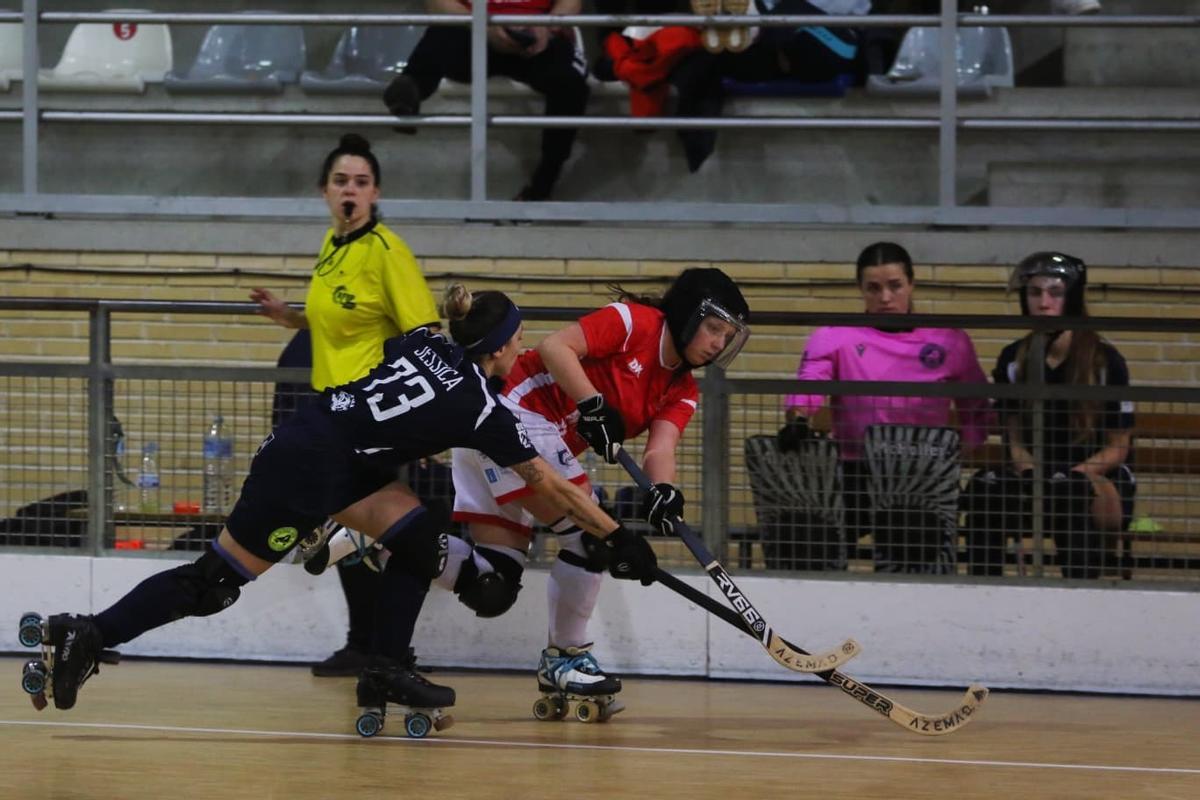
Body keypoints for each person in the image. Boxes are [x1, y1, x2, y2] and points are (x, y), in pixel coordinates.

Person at [32, 289, 659, 713]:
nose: (520, 354)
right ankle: (87, 633)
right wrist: (618, 535)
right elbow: (548, 485)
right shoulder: (481, 407)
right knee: (214, 584)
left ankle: (386, 667)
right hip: (312, 474)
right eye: (517, 343)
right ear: (499, 348)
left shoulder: (424, 343)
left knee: (420, 535)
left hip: (319, 445)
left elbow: (391, 349)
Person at [311, 268, 750, 712]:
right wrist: (592, 404)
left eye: (726, 335)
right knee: (593, 538)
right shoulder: (636, 322)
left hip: (523, 443)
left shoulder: (682, 388)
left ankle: (385, 536)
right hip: (511, 415)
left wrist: (665, 490)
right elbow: (555, 347)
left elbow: (662, 448)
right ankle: (566, 658)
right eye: (714, 328)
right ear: (687, 315)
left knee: (492, 586)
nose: (717, 342)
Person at [249, 133, 441, 678]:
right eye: (340, 182)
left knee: (373, 532)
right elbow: (339, 320)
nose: (349, 191)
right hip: (334, 414)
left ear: (375, 192)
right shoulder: (333, 246)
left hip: (374, 417)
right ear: (324, 192)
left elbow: (424, 335)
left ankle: (386, 652)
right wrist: (290, 317)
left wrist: (426, 422)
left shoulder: (387, 253)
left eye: (360, 182)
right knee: (350, 532)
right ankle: (370, 646)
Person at [779, 241, 991, 573]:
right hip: (855, 471)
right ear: (861, 290)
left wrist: (963, 450)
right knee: (811, 537)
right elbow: (810, 382)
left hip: (922, 473)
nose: (885, 298)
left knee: (916, 555)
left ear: (911, 284)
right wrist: (798, 417)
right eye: (874, 288)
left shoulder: (949, 339)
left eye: (895, 286)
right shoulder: (836, 336)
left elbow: (976, 404)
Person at [963, 252, 1134, 579]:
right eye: (1034, 293)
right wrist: (1031, 471)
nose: (1043, 303)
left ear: (1071, 299)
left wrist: (1074, 475)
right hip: (1034, 473)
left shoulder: (1105, 361)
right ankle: (983, 592)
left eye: (1054, 293)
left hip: (1092, 473)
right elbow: (1013, 439)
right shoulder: (1013, 359)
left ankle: (1081, 593)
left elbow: (1118, 446)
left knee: (1070, 494)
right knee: (983, 488)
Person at [381, 0, 590, 201]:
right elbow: (437, 3)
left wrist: (548, 26)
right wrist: (484, 25)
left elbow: (570, 2)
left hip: (537, 39)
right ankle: (410, 89)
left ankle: (543, 184)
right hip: (474, 32)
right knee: (443, 30)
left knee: (572, 83)